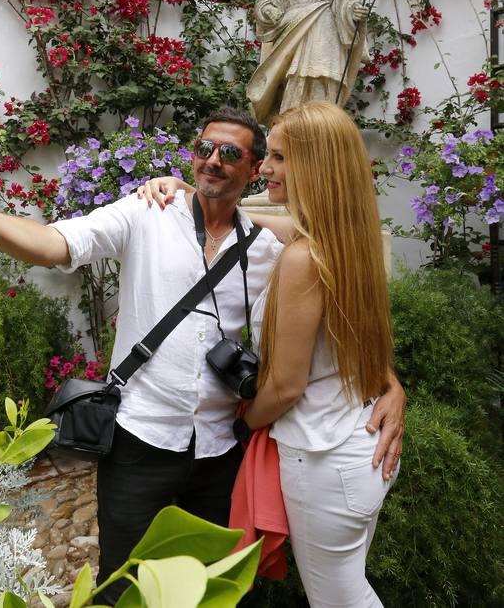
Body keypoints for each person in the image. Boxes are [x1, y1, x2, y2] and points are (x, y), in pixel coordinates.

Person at [0, 105, 404, 605]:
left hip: (221, 449)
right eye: (203, 149)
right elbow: (52, 244)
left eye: (230, 153)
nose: (212, 161)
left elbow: (342, 294)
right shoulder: (144, 213)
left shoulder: (270, 247)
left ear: (254, 167)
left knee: (216, 587)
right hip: (140, 438)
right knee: (123, 585)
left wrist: (387, 380)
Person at [143, 101, 401, 608]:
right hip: (357, 445)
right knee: (348, 586)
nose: (265, 169)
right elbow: (251, 220)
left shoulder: (305, 257)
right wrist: (187, 191)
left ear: (314, 166)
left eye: (279, 158)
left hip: (322, 455)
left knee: (340, 599)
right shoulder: (345, 242)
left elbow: (285, 386)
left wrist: (240, 426)